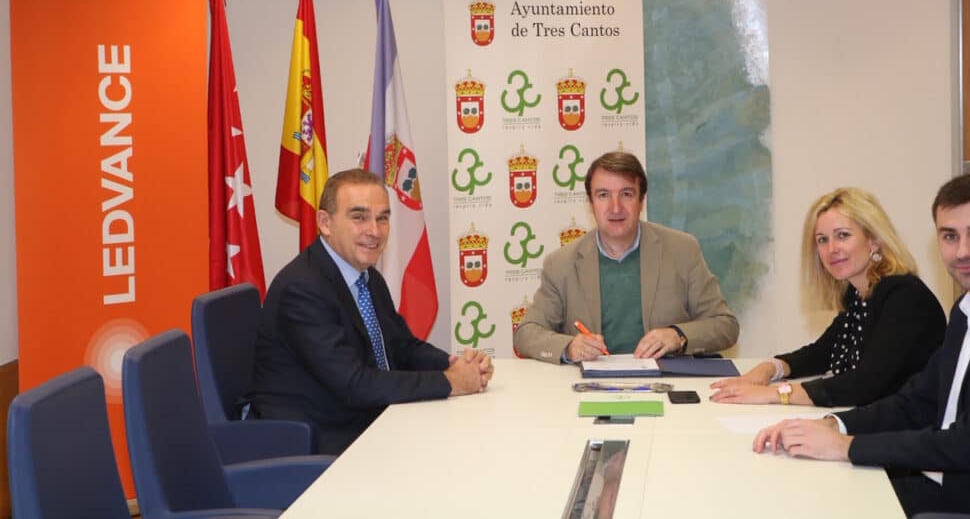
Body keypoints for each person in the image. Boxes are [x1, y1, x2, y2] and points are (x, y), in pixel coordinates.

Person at [753, 172, 970, 516]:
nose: (963, 251)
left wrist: (846, 447)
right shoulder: (967, 308)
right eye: (949, 236)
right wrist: (834, 424)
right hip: (941, 481)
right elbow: (916, 402)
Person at [245, 169, 493, 455]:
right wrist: (451, 382)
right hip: (314, 441)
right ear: (325, 223)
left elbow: (401, 346)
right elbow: (354, 384)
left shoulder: (366, 276)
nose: (375, 231)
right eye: (359, 217)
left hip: (361, 421)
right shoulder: (302, 289)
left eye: (382, 218)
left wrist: (457, 364)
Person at [710, 187, 945, 407]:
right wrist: (770, 368)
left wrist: (776, 394)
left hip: (908, 429)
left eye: (843, 235)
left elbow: (865, 384)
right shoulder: (860, 294)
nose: (832, 249)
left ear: (874, 240)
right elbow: (821, 353)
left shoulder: (904, 297)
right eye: (822, 240)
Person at [513, 151, 738, 363]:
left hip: (666, 383)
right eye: (603, 195)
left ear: (641, 201)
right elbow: (526, 333)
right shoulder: (561, 264)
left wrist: (678, 335)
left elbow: (726, 326)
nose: (615, 208)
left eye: (627, 194)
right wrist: (569, 347)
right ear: (591, 204)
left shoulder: (683, 250)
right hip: (591, 385)